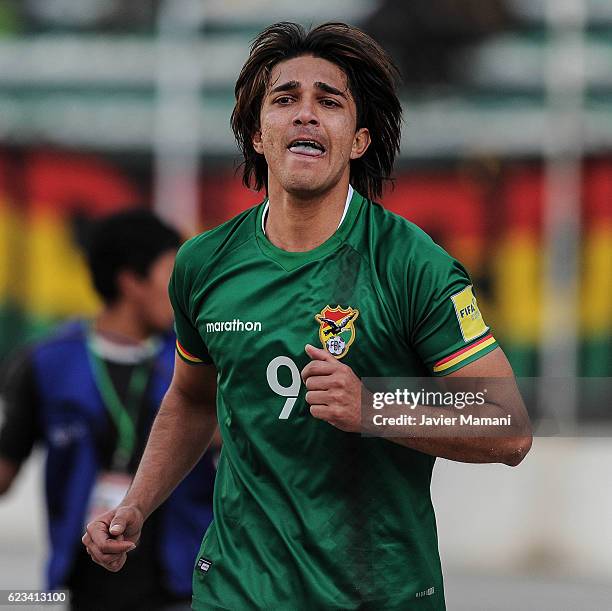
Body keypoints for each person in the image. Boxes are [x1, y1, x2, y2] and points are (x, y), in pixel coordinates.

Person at [83, 22, 532, 610]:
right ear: (257, 133)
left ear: (359, 140)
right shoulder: (203, 263)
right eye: (285, 98)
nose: (305, 114)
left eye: (329, 101)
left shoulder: (412, 265)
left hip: (378, 593)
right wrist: (137, 505)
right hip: (237, 589)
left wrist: (374, 406)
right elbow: (193, 397)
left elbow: (508, 424)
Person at [0, 209, 217, 611]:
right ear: (131, 282)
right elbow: (5, 469)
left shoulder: (199, 360)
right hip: (82, 588)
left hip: (186, 587)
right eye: (173, 275)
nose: (186, 290)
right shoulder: (48, 363)